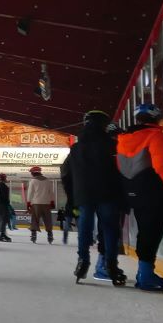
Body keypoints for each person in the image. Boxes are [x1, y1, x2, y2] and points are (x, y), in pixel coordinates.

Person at [117, 104, 163, 292]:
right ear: (157, 118)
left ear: (137, 119)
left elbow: (120, 167)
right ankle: (146, 276)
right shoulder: (157, 137)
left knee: (144, 231)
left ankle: (144, 273)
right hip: (154, 192)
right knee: (152, 232)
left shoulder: (122, 140)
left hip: (133, 192)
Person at [62, 110, 127, 286]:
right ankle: (111, 265)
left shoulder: (75, 149)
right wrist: (124, 196)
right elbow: (122, 171)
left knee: (85, 227)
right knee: (109, 229)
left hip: (84, 195)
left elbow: (65, 173)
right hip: (108, 193)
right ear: (103, 125)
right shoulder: (112, 145)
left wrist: (71, 198)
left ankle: (83, 261)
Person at [26, 166, 56, 244]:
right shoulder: (47, 180)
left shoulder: (32, 181)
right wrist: (52, 202)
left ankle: (33, 235)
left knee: (35, 219)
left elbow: (30, 193)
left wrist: (28, 203)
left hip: (36, 203)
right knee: (47, 219)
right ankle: (50, 235)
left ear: (33, 173)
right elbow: (51, 192)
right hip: (46, 203)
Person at [0, 173, 12, 242]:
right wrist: (8, 205)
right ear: (4, 178)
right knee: (3, 219)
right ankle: (2, 234)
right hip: (2, 205)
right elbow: (5, 198)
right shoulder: (5, 187)